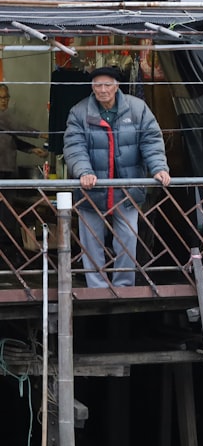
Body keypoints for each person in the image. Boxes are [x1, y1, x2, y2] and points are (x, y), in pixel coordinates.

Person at [63, 67, 170, 288]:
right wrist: (84, 171)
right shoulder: (79, 112)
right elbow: (75, 147)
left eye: (107, 85)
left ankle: (123, 285)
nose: (102, 90)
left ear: (117, 86)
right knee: (91, 240)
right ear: (92, 87)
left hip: (127, 187)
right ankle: (97, 286)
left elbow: (151, 140)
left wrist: (159, 168)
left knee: (128, 238)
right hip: (92, 188)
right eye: (97, 85)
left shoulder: (138, 108)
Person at [0, 84, 47, 252]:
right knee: (4, 209)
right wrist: (39, 134)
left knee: (8, 207)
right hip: (2, 171)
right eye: (1, 98)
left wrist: (31, 149)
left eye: (6, 97)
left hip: (7, 168)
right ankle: (6, 244)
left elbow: (10, 139)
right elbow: (16, 127)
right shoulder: (3, 117)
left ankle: (7, 243)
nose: (4, 101)